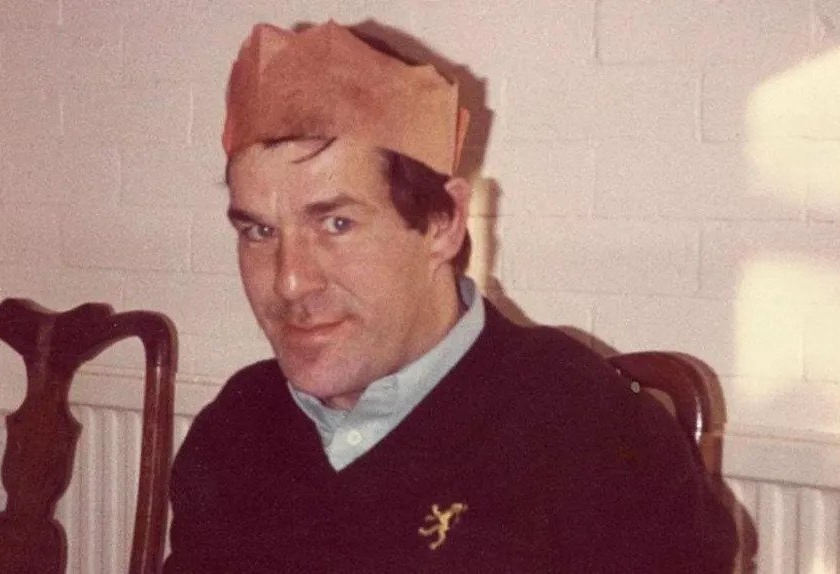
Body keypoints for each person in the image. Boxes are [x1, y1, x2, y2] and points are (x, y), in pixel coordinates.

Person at [165, 21, 737, 573]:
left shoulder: (592, 433)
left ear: (443, 224)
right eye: (259, 231)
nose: (290, 281)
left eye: (337, 223)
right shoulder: (238, 427)